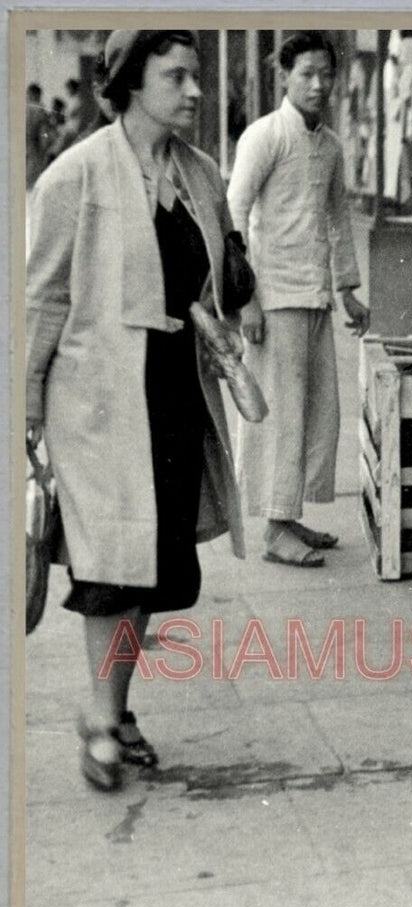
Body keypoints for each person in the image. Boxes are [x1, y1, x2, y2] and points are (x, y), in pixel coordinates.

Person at [26, 29, 247, 790]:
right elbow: (42, 299)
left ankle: (115, 709)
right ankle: (98, 715)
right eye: (176, 75)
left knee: (149, 562)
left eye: (196, 75)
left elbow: (222, 277)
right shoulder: (72, 178)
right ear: (130, 81)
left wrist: (228, 305)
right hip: (95, 399)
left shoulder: (202, 174)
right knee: (110, 562)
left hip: (174, 392)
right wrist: (24, 402)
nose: (193, 90)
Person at [228, 31, 370, 567]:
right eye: (306, 73)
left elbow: (336, 220)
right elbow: (232, 217)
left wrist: (348, 291)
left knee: (316, 415)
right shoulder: (264, 137)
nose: (318, 84)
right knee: (282, 416)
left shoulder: (330, 146)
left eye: (326, 73)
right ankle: (274, 530)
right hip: (273, 298)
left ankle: (288, 516)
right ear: (283, 76)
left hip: (315, 299)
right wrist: (244, 301)